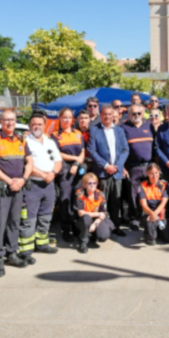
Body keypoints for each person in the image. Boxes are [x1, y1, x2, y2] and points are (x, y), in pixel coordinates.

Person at [0, 109, 34, 277]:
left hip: (18, 187)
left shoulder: (21, 139)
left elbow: (29, 161)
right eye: (6, 120)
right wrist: (10, 181)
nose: (10, 123)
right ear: (0, 122)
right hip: (2, 188)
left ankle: (12, 253)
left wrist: (23, 179)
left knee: (14, 221)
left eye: (12, 120)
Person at [18, 112, 61, 261]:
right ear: (29, 126)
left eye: (40, 124)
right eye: (34, 124)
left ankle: (42, 244)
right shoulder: (25, 142)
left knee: (45, 216)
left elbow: (58, 161)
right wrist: (43, 174)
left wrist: (53, 174)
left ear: (44, 125)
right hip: (32, 185)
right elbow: (25, 164)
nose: (37, 126)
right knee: (29, 219)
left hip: (49, 184)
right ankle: (26, 251)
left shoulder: (50, 141)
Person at [88, 104, 129, 238]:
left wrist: (117, 166)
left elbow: (125, 150)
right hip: (102, 172)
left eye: (110, 114)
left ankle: (116, 226)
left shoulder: (119, 130)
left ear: (113, 115)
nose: (107, 117)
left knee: (116, 201)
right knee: (101, 202)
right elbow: (91, 150)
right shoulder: (94, 130)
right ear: (101, 115)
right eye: (105, 114)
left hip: (116, 172)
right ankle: (101, 228)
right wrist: (106, 166)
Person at [53, 108, 85, 242]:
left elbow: (82, 151)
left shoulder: (78, 133)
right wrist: (74, 159)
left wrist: (76, 163)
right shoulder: (55, 135)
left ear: (73, 119)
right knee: (65, 200)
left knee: (78, 199)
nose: (67, 120)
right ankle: (66, 230)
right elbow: (57, 153)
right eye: (64, 117)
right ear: (60, 118)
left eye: (69, 117)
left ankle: (76, 226)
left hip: (78, 171)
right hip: (64, 170)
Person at [121, 103, 155, 230]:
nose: (136, 115)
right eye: (133, 113)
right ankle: (134, 218)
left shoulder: (149, 126)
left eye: (139, 113)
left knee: (148, 193)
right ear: (129, 115)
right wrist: (123, 167)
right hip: (132, 167)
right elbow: (120, 149)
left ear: (143, 114)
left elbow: (155, 146)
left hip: (148, 167)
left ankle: (146, 216)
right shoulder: (123, 128)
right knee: (133, 194)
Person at [73, 173, 113, 253]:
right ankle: (83, 242)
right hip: (83, 219)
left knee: (103, 236)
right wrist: (98, 214)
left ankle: (93, 235)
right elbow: (81, 213)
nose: (92, 185)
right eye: (89, 183)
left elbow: (103, 213)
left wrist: (95, 224)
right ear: (84, 185)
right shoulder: (80, 194)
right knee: (86, 218)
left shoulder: (100, 194)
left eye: (94, 183)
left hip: (96, 219)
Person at [138, 163, 169, 245]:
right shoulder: (142, 185)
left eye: (156, 173)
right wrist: (152, 214)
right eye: (152, 173)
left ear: (159, 172)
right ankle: (149, 234)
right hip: (148, 213)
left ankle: (157, 231)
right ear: (147, 174)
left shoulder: (164, 184)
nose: (155, 176)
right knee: (152, 241)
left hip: (160, 213)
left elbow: (163, 203)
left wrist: (155, 214)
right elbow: (144, 205)